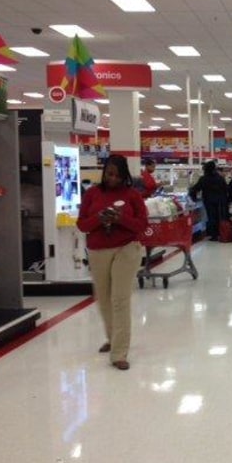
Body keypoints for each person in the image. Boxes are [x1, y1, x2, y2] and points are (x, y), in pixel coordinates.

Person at [77, 154, 148, 371]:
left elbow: (142, 225)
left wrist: (120, 219)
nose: (113, 179)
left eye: (118, 175)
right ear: (104, 172)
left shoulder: (132, 195)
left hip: (127, 248)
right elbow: (82, 225)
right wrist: (100, 218)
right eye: (110, 174)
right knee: (104, 299)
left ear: (124, 175)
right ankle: (112, 337)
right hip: (98, 250)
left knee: (120, 299)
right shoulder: (92, 194)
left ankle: (119, 353)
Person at [188, 160, 228, 241]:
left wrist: (193, 197)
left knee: (211, 217)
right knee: (219, 216)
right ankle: (220, 233)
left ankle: (213, 235)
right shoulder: (220, 178)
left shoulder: (204, 178)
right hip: (220, 200)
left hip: (209, 200)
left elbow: (195, 189)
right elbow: (225, 189)